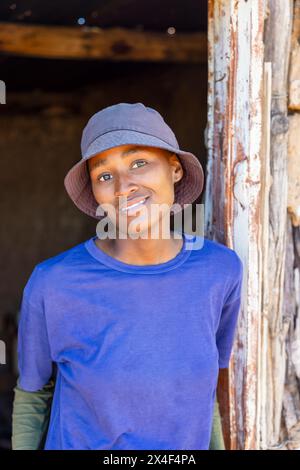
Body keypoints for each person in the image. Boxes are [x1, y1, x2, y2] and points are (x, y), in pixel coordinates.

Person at [12, 103, 243, 450]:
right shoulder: (53, 283)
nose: (123, 186)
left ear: (175, 169)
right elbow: (33, 392)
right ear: (94, 192)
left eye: (139, 163)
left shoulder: (219, 270)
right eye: (104, 176)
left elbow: (202, 392)